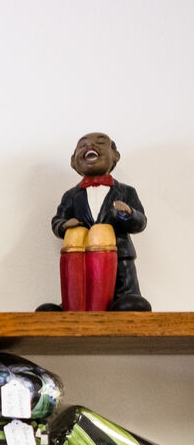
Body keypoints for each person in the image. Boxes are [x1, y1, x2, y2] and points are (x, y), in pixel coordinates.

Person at [43, 132, 149, 311]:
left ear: (115, 155)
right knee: (79, 287)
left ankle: (123, 302)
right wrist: (64, 225)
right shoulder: (71, 195)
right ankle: (73, 306)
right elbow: (57, 221)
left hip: (120, 258)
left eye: (100, 142)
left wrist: (127, 213)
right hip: (81, 259)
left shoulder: (126, 191)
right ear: (73, 161)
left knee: (128, 301)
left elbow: (140, 222)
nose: (90, 146)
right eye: (82, 145)